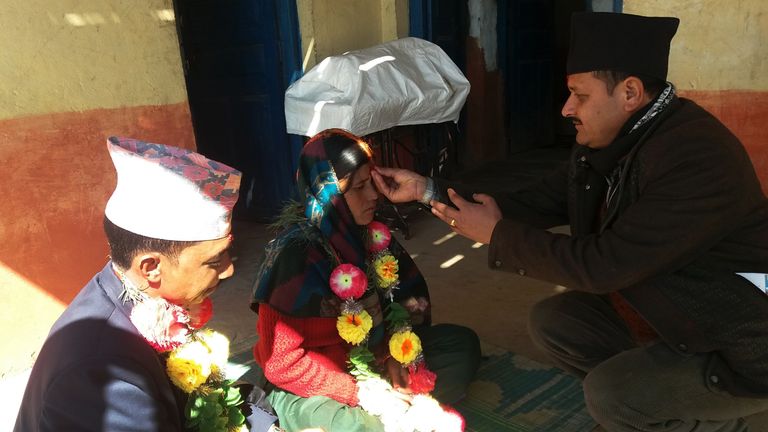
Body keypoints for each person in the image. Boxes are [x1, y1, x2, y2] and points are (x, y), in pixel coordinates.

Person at [371, 12, 768, 432]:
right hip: (674, 311)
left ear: (630, 92)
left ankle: (705, 420)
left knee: (610, 394)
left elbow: (604, 265)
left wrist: (496, 236)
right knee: (557, 322)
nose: (566, 108)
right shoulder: (604, 144)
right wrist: (427, 189)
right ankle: (654, 405)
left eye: (579, 94)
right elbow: (532, 200)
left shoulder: (696, 157)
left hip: (737, 340)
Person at [15, 137, 281, 431]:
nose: (229, 270)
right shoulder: (102, 368)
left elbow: (207, 392)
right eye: (214, 260)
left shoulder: (148, 302)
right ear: (151, 267)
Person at [251, 128, 481, 431]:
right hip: (313, 387)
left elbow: (406, 308)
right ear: (328, 193)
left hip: (374, 367)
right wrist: (359, 392)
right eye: (359, 187)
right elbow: (283, 365)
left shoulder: (372, 237)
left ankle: (400, 414)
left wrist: (393, 357)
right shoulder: (294, 256)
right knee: (358, 426)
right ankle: (394, 416)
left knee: (461, 344)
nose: (374, 195)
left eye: (372, 182)